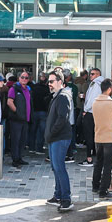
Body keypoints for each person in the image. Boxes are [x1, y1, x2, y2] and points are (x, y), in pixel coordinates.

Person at [46, 71, 75, 212]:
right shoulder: (57, 96)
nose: (49, 84)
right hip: (55, 138)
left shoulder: (63, 96)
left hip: (60, 138)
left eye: (51, 81)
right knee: (55, 167)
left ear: (60, 81)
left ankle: (66, 199)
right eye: (48, 81)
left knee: (59, 168)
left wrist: (51, 133)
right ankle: (58, 195)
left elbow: (62, 118)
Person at [7, 71, 32, 167]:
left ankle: (19, 158)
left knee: (22, 140)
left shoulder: (28, 89)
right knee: (15, 140)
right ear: (19, 78)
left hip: (25, 120)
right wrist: (17, 112)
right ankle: (15, 159)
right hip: (16, 120)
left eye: (26, 78)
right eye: (22, 77)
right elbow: (9, 102)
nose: (24, 79)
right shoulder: (14, 89)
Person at [80, 68, 104, 166]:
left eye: (92, 74)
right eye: (90, 74)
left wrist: (85, 109)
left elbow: (92, 99)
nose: (90, 75)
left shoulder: (96, 84)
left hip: (91, 112)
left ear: (98, 74)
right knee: (94, 135)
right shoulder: (99, 83)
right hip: (96, 113)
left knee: (89, 136)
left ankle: (89, 158)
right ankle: (95, 156)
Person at [30, 72, 51, 154]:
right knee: (41, 131)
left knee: (33, 130)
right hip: (43, 111)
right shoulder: (47, 89)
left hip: (35, 110)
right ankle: (39, 148)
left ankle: (32, 147)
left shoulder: (34, 87)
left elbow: (31, 99)